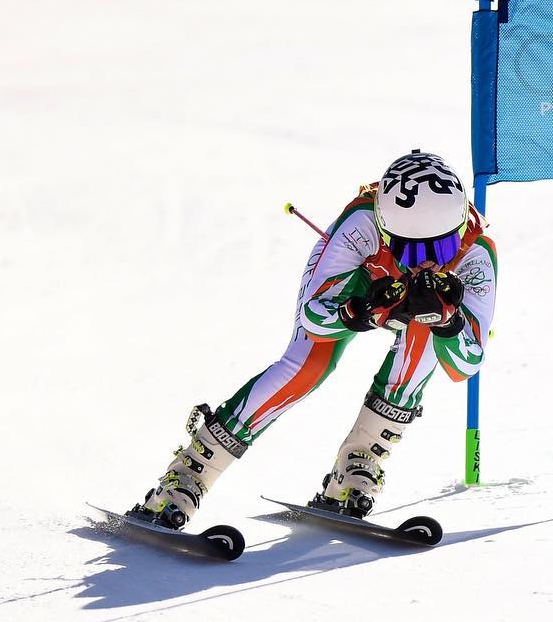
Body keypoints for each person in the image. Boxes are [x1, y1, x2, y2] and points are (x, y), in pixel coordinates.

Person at [129, 151, 498, 529]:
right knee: (307, 365)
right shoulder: (363, 222)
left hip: (404, 302)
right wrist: (364, 310)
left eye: (442, 248)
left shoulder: (475, 254)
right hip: (359, 281)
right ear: (388, 230)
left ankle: (360, 461)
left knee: (424, 336)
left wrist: (447, 324)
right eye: (416, 250)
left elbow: (466, 365)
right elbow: (314, 317)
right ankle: (191, 471)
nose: (429, 263)